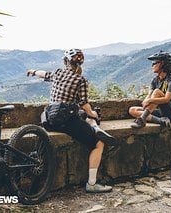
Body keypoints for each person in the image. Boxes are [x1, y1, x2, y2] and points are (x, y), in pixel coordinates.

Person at [26, 48, 116, 193]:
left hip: (49, 119)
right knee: (98, 142)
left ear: (66, 61)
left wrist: (33, 71)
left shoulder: (58, 73)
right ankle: (92, 184)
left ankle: (93, 125)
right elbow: (85, 105)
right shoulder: (81, 80)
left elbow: (44, 74)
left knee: (82, 115)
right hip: (66, 120)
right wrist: (93, 114)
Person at [129, 50, 171, 128]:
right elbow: (149, 94)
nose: (152, 65)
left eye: (154, 63)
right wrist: (145, 102)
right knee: (132, 110)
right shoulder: (155, 80)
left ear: (162, 64)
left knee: (157, 92)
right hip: (160, 111)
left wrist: (149, 100)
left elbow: (166, 99)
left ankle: (142, 119)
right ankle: (160, 121)